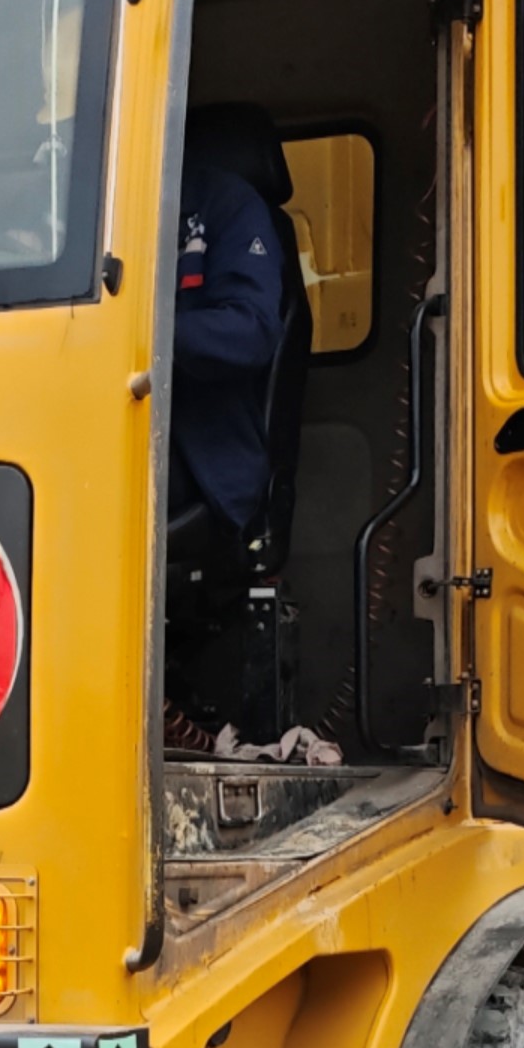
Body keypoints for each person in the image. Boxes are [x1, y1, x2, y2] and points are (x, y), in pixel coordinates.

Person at [164, 107, 309, 739]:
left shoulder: (225, 206)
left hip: (204, 457)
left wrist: (141, 334)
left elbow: (250, 331)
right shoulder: (86, 211)